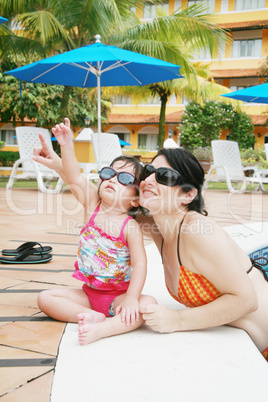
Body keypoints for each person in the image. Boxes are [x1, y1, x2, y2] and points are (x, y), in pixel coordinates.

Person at [34, 134, 268, 362]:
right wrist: (58, 163)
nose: (149, 180)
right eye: (148, 172)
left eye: (165, 175)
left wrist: (177, 320)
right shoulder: (157, 225)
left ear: (188, 194)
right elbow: (92, 197)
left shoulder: (198, 231)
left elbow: (247, 300)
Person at [36, 118, 156, 345]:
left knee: (147, 305)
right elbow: (74, 176)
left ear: (135, 200)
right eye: (110, 173)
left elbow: (140, 264)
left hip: (118, 297)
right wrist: (66, 144)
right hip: (87, 295)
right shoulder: (92, 205)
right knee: (45, 298)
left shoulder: (130, 226)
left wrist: (131, 298)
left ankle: (104, 329)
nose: (113, 179)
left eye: (125, 179)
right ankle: (94, 317)